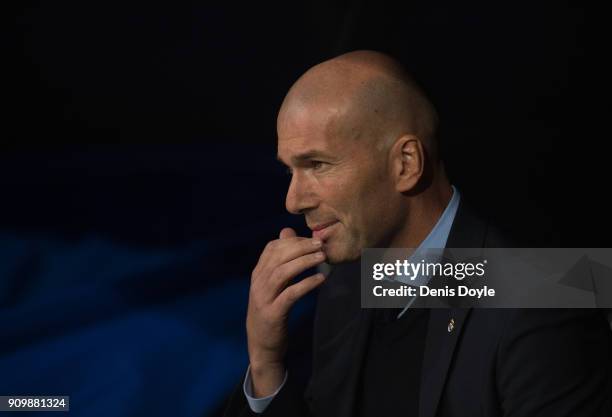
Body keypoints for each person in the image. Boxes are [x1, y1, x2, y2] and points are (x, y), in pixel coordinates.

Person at [223, 50, 612, 417]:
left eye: (318, 165)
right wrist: (266, 364)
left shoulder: (548, 294)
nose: (293, 200)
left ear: (406, 164)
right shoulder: (346, 287)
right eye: (290, 171)